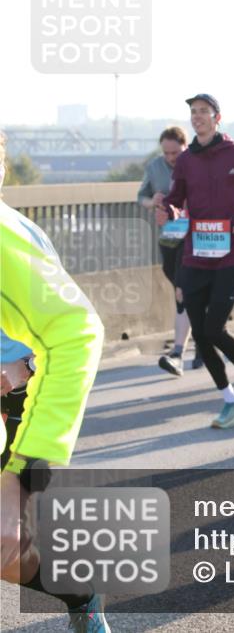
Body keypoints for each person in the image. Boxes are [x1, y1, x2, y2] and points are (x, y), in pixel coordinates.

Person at [0, 131, 109, 631]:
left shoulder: (12, 236)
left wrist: (22, 369)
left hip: (23, 396)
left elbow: (72, 330)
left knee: (7, 549)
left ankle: (80, 595)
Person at [157, 94, 234, 428]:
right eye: (193, 113)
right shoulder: (186, 160)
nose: (198, 118)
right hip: (196, 253)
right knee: (202, 335)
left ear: (217, 117)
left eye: (204, 112)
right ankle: (229, 400)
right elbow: (177, 199)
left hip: (232, 253)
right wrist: (168, 209)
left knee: (213, 327)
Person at [138, 127, 201, 375]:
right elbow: (140, 197)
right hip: (169, 240)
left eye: (175, 152)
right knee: (185, 295)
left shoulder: (196, 163)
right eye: (166, 153)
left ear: (185, 147)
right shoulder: (155, 167)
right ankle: (203, 345)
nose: (171, 158)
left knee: (182, 293)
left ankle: (178, 352)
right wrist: (152, 201)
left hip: (195, 240)